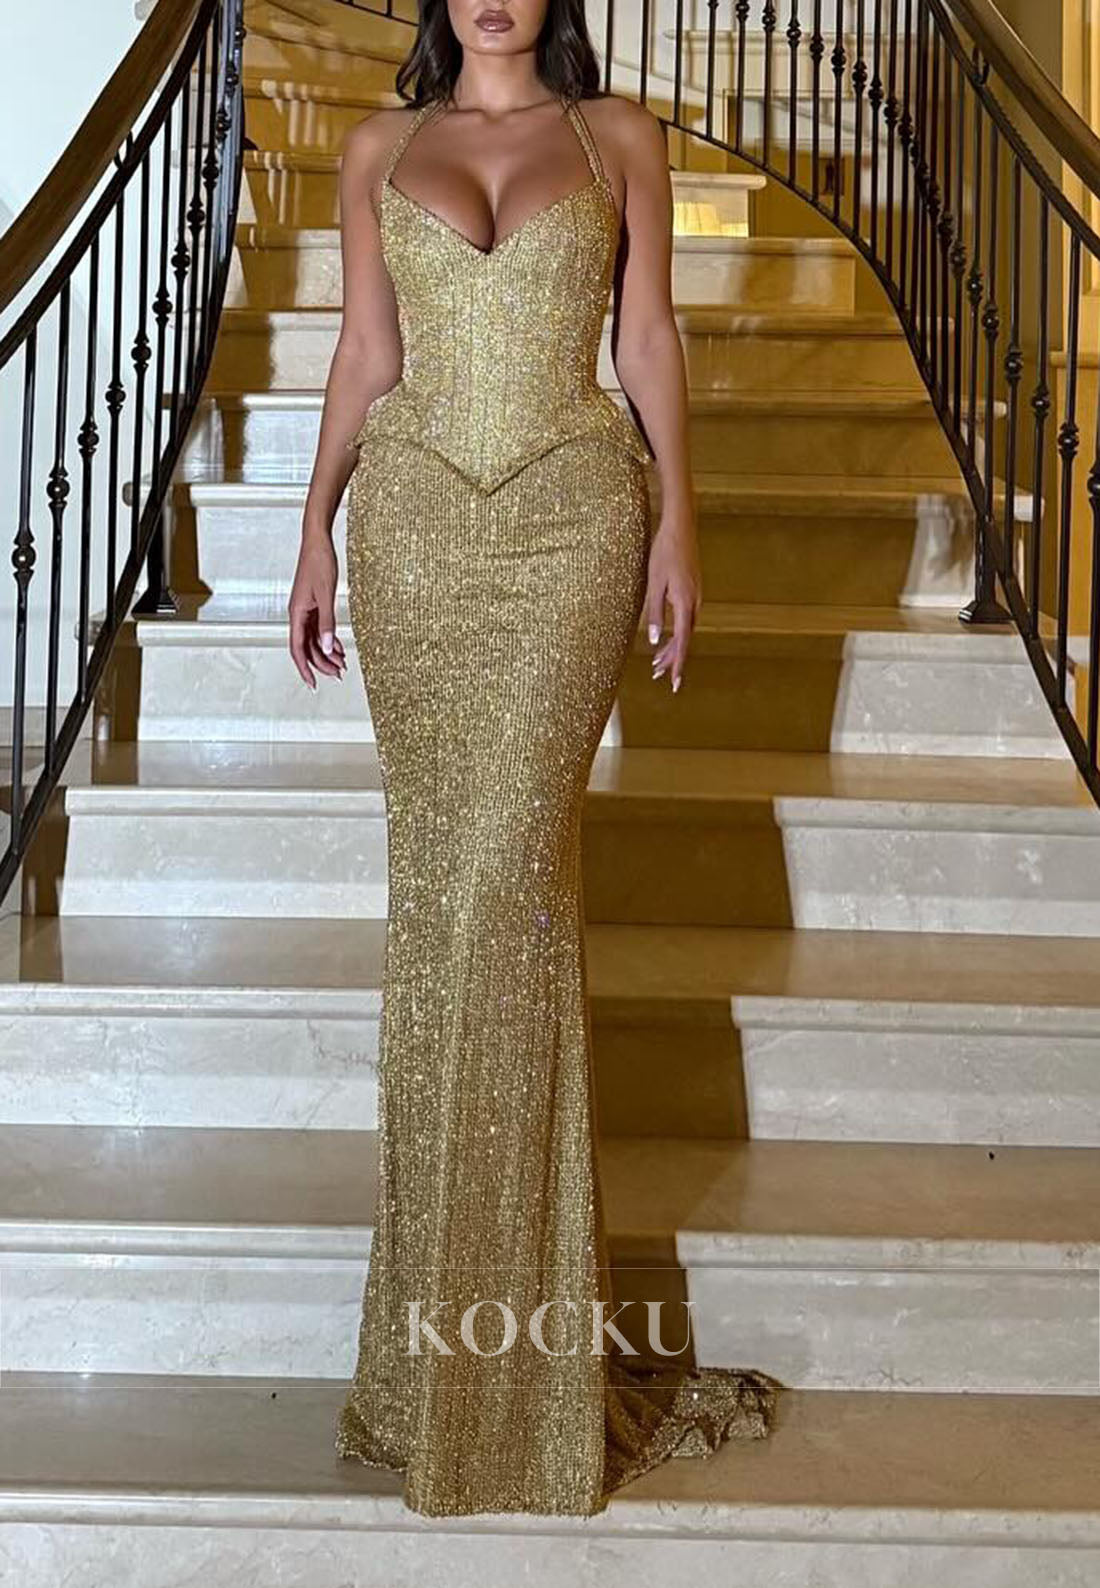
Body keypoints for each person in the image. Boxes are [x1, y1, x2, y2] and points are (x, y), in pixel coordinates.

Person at [288, 0, 778, 1518]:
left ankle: (511, 1383)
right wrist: (312, 527)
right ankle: (436, 1364)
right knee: (444, 905)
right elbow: (368, 349)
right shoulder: (380, 146)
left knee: (504, 891)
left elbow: (647, 339)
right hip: (416, 526)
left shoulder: (616, 135)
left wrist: (681, 525)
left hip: (573, 515)